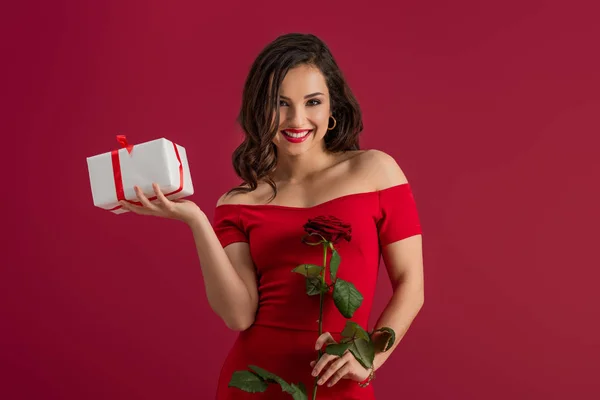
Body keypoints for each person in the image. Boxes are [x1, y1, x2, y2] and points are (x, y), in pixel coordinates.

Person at [119, 33, 424, 399]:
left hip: (338, 384)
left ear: (332, 110)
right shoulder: (239, 202)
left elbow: (411, 284)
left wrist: (371, 357)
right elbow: (239, 316)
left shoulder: (376, 172)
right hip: (255, 381)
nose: (297, 119)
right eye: (281, 103)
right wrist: (196, 221)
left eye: (313, 102)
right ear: (260, 109)